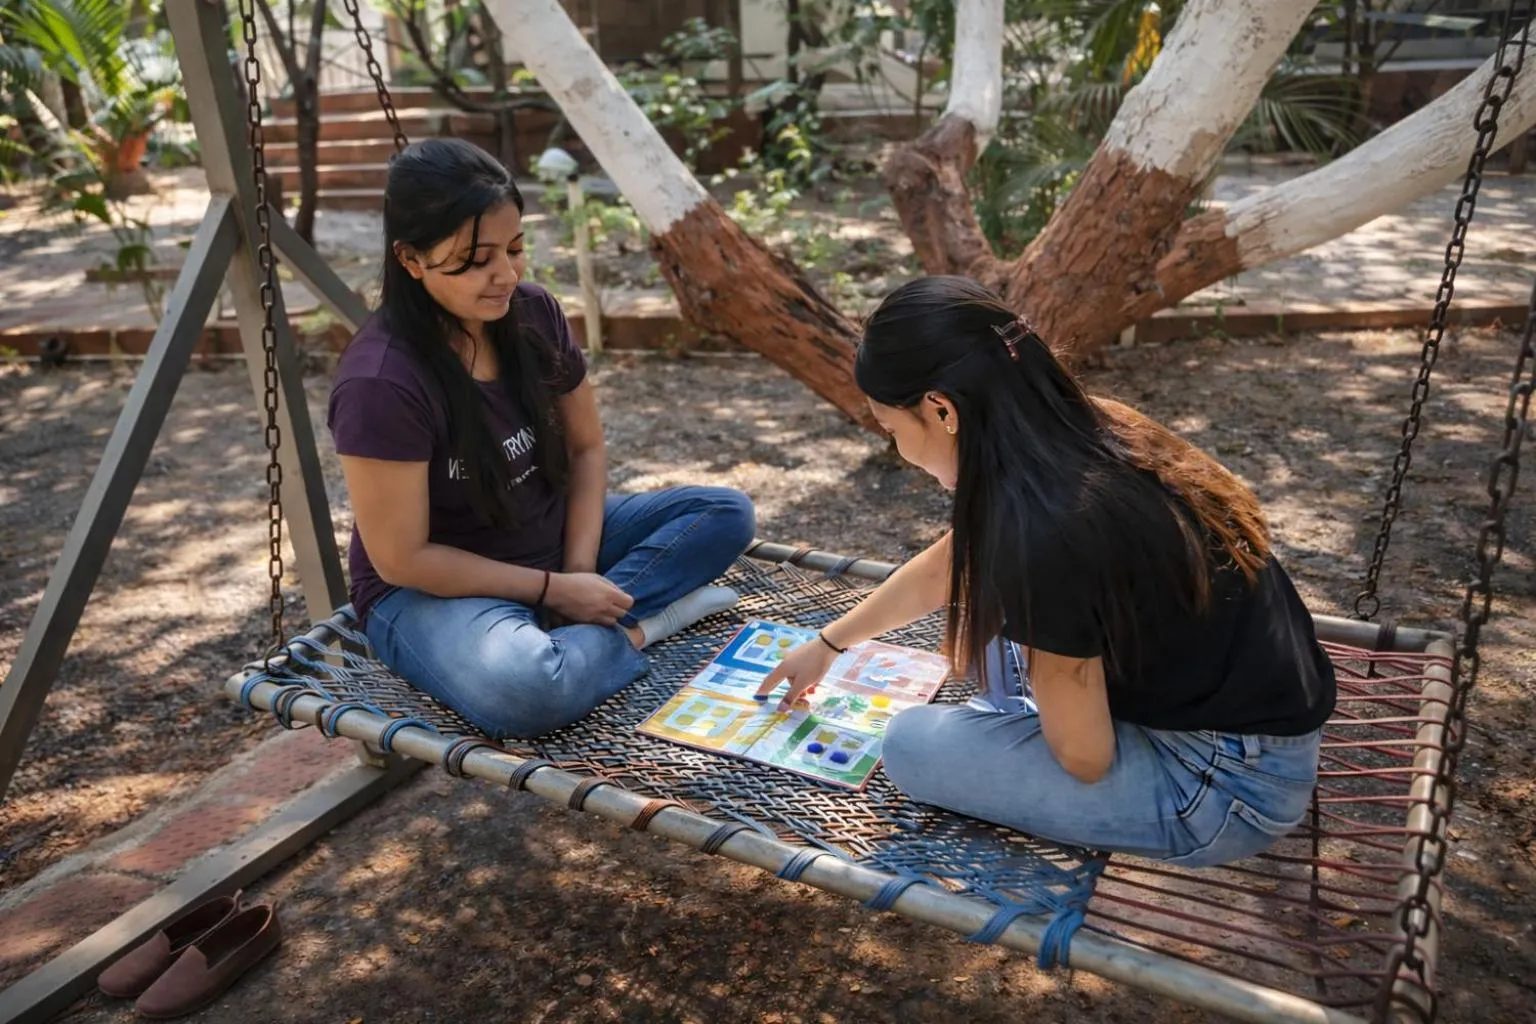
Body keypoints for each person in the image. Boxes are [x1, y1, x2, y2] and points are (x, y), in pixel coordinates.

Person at [758, 276, 1336, 867]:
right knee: (991, 642)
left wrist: (1040, 696)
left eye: (893, 429)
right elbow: (949, 567)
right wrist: (830, 645)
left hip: (1222, 789)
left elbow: (1085, 759)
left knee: (908, 744)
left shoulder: (1044, 530)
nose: (900, 449)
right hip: (1243, 726)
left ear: (941, 408)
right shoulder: (1077, 429)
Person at [327, 138, 755, 740]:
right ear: (411, 258)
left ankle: (586, 627)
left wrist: (578, 577)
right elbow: (403, 557)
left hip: (549, 541)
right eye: (475, 261)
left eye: (516, 248)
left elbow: (585, 448)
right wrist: (553, 588)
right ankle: (641, 627)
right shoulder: (381, 383)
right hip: (435, 588)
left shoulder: (532, 315)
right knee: (525, 690)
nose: (506, 274)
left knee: (723, 512)